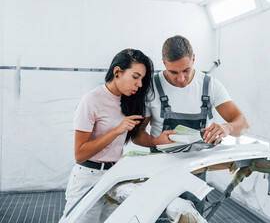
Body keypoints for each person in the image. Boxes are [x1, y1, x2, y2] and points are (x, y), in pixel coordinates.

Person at [133, 35, 249, 214]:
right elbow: (136, 134)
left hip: (196, 175)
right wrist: (156, 141)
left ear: (194, 59)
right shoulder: (151, 88)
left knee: (194, 216)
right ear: (163, 62)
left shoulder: (210, 86)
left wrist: (227, 128)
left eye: (186, 70)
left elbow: (243, 124)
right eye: (174, 72)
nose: (181, 79)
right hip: (160, 172)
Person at [60, 49, 154, 223]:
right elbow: (80, 153)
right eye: (135, 77)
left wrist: (159, 141)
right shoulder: (91, 101)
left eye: (142, 79)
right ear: (117, 72)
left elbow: (136, 136)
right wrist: (116, 130)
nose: (140, 84)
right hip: (87, 177)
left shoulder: (128, 101)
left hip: (115, 176)